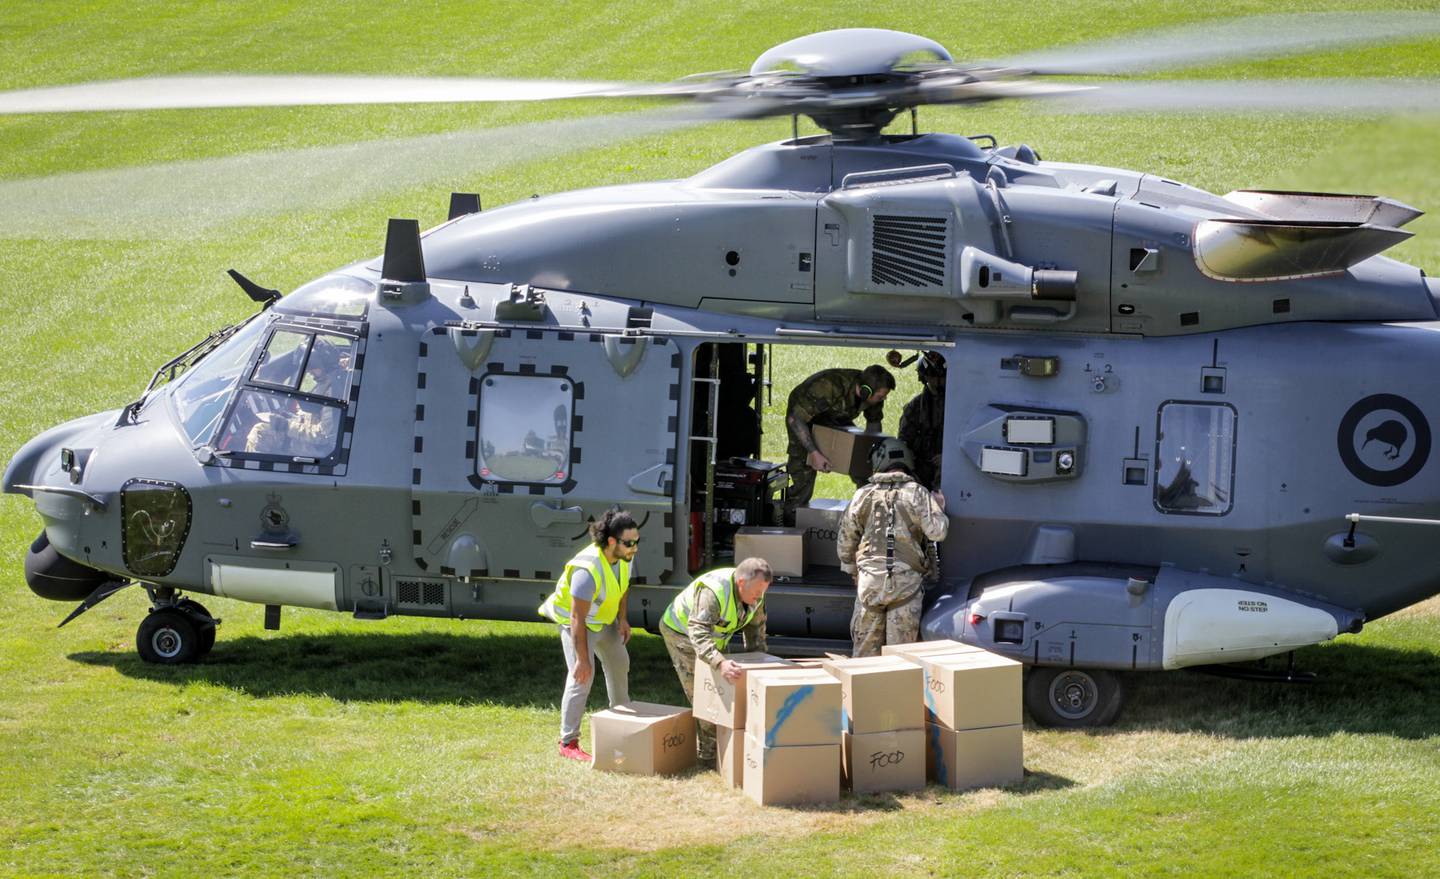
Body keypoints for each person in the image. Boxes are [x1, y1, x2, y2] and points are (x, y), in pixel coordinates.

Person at [537, 509, 640, 761]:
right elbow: (576, 619)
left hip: (601, 621)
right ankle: (568, 741)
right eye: (630, 543)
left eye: (637, 541)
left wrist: (622, 619)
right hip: (576, 623)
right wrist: (583, 659)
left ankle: (620, 721)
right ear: (612, 541)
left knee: (619, 662)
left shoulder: (623, 557)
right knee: (582, 676)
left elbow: (622, 588)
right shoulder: (587, 568)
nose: (634, 548)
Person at [838, 438, 948, 657]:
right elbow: (938, 532)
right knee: (900, 663)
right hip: (906, 588)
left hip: (870, 586)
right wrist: (940, 508)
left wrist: (852, 570)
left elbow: (844, 544)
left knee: (863, 660)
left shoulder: (863, 495)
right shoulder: (918, 493)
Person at [659, 557, 773, 765]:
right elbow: (698, 633)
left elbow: (756, 634)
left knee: (727, 687)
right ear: (741, 582)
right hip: (682, 635)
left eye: (764, 590)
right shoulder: (713, 592)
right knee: (706, 693)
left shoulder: (755, 595)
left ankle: (728, 749)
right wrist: (720, 663)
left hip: (713, 638)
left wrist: (760, 670)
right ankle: (709, 756)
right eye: (757, 590)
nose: (760, 596)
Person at [783, 364, 896, 522]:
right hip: (802, 419)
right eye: (881, 396)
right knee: (803, 475)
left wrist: (872, 454)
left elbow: (874, 424)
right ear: (865, 391)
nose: (883, 400)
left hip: (835, 415)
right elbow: (795, 419)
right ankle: (791, 523)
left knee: (863, 463)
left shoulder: (873, 396)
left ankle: (868, 517)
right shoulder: (828, 387)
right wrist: (814, 453)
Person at [898, 351, 946, 490]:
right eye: (932, 377)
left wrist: (948, 457)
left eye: (942, 378)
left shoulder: (960, 405)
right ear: (924, 378)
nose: (938, 382)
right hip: (920, 464)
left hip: (949, 465)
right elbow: (904, 441)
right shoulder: (915, 407)